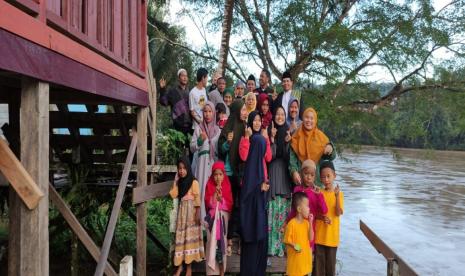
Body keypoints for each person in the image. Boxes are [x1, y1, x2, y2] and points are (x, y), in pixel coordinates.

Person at [239, 111, 272, 276]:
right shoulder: (253, 170)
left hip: (256, 224)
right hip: (253, 226)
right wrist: (259, 189)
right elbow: (247, 196)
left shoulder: (257, 169)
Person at [218, 100, 248, 242]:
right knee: (225, 205)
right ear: (236, 111)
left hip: (238, 173)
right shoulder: (228, 126)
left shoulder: (245, 127)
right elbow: (221, 149)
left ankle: (229, 237)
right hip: (227, 173)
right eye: (242, 110)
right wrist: (228, 143)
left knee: (236, 205)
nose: (245, 112)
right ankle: (222, 237)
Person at [169, 157, 204, 276]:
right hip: (182, 216)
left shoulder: (194, 182)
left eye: (184, 168)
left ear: (188, 168)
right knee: (181, 240)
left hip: (192, 216)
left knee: (188, 241)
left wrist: (198, 213)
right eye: (180, 169)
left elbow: (198, 199)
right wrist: (175, 182)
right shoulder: (180, 183)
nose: (182, 171)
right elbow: (173, 195)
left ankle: (188, 268)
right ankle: (179, 267)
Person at [267, 106, 293, 257]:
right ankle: (271, 248)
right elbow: (271, 156)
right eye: (277, 114)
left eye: (282, 114)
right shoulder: (270, 132)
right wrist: (272, 138)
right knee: (272, 211)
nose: (280, 116)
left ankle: (282, 248)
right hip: (273, 173)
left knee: (283, 213)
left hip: (285, 176)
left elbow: (289, 158)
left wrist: (288, 142)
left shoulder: (288, 132)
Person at [286, 159, 327, 252]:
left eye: (312, 175)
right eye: (306, 174)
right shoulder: (297, 189)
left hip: (309, 230)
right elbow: (293, 210)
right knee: (296, 252)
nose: (309, 177)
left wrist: (319, 195)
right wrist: (285, 223)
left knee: (307, 255)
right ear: (301, 174)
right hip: (296, 228)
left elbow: (324, 211)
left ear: (314, 177)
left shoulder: (316, 192)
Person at [289, 107, 335, 187]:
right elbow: (292, 160)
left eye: (312, 118)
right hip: (301, 182)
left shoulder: (321, 137)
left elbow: (332, 157)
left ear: (315, 120)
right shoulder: (296, 136)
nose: (309, 120)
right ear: (303, 118)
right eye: (306, 117)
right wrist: (294, 172)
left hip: (317, 183)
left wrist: (330, 148)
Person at [190, 101, 221, 221]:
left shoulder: (218, 130)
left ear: (214, 113)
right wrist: (199, 140)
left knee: (213, 191)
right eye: (205, 112)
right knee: (202, 191)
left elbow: (219, 149)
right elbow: (192, 148)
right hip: (201, 165)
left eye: (210, 112)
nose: (207, 114)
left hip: (213, 166)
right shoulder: (199, 128)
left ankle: (213, 220)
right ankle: (202, 222)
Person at [314, 160, 344, 276]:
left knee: (330, 269)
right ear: (320, 178)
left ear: (334, 176)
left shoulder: (339, 194)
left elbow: (338, 212)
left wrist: (336, 197)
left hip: (332, 239)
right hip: (319, 237)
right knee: (318, 269)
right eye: (323, 177)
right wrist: (322, 218)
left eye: (328, 176)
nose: (326, 180)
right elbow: (315, 214)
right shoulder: (319, 193)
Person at [204, 161, 234, 276]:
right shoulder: (209, 185)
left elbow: (229, 205)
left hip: (222, 221)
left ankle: (222, 270)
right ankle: (212, 272)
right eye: (215, 174)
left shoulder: (227, 186)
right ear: (212, 175)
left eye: (220, 174)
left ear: (224, 175)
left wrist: (222, 200)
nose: (218, 177)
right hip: (212, 222)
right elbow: (207, 203)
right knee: (211, 244)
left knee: (221, 246)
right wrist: (214, 197)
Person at [284, 192, 313, 276]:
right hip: (295, 267)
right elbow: (286, 240)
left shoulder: (307, 223)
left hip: (304, 264)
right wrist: (295, 246)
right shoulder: (291, 224)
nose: (309, 209)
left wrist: (311, 223)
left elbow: (311, 238)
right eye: (307, 206)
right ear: (299, 209)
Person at [158, 68, 192, 134]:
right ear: (179, 78)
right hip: (177, 126)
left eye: (186, 76)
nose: (185, 78)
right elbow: (163, 102)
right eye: (182, 76)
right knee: (178, 144)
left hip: (190, 126)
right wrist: (162, 89)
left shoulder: (190, 91)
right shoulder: (173, 91)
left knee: (190, 144)